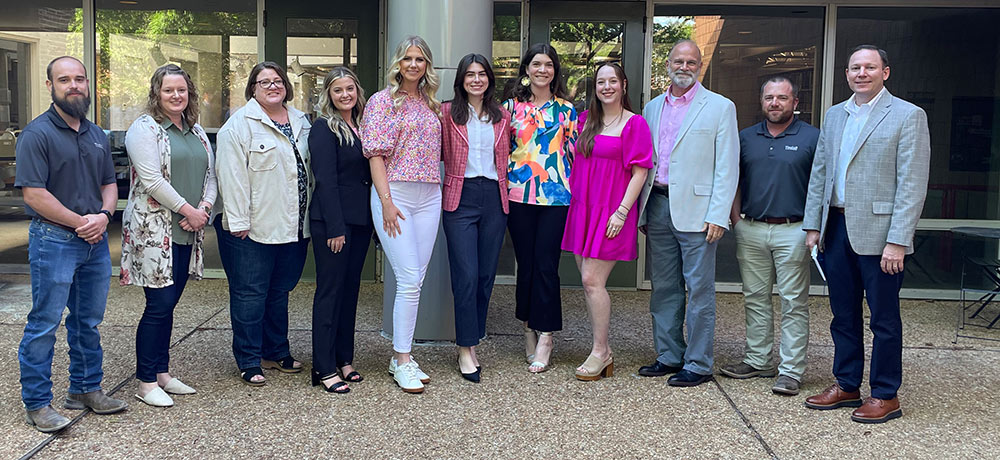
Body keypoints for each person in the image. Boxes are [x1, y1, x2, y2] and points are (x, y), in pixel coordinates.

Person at [802, 45, 930, 424]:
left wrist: (898, 240)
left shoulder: (908, 115)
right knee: (842, 314)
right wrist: (813, 224)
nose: (862, 73)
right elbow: (820, 173)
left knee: (884, 318)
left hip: (881, 233)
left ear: (885, 72)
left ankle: (886, 393)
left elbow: (912, 183)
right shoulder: (835, 115)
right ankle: (846, 384)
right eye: (855, 67)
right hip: (836, 227)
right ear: (846, 74)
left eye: (870, 67)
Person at [16, 56, 127, 432]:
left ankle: (84, 388)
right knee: (45, 322)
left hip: (94, 242)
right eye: (64, 80)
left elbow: (109, 184)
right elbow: (34, 194)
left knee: (87, 322)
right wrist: (82, 222)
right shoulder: (37, 134)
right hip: (54, 240)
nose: (74, 85)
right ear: (50, 86)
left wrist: (104, 216)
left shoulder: (96, 134)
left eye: (79, 79)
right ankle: (37, 402)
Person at [637, 39, 739, 387]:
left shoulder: (720, 107)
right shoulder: (651, 108)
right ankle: (668, 355)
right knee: (664, 287)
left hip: (699, 212)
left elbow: (727, 166)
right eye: (678, 61)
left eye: (691, 62)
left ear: (700, 66)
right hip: (658, 205)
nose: (684, 67)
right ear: (668, 64)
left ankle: (698, 363)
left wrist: (719, 213)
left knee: (698, 290)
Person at [121, 64, 215, 406]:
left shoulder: (197, 131)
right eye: (168, 90)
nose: (176, 96)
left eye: (182, 90)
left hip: (187, 230)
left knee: (169, 304)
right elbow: (153, 181)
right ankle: (145, 382)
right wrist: (189, 211)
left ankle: (162, 373)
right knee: (158, 305)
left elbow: (211, 175)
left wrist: (203, 208)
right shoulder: (143, 129)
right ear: (156, 94)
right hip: (154, 232)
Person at [719, 76, 819, 396]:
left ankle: (790, 370)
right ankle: (759, 360)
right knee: (755, 298)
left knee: (793, 302)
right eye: (769, 98)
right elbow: (732, 178)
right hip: (751, 228)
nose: (775, 103)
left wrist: (813, 228)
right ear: (761, 102)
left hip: (794, 229)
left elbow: (820, 187)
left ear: (795, 103)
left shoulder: (812, 137)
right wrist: (736, 219)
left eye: (782, 98)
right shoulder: (746, 137)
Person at [215, 61, 312, 386]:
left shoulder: (302, 121)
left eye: (277, 81)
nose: (273, 86)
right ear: (253, 89)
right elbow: (231, 176)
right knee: (250, 294)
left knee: (279, 292)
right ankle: (248, 358)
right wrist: (238, 220)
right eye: (264, 82)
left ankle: (275, 351)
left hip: (294, 225)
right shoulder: (239, 125)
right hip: (252, 228)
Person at [362, 36, 442, 394]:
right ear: (398, 63)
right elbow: (375, 155)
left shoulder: (430, 102)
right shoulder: (382, 101)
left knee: (417, 280)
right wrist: (386, 201)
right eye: (407, 58)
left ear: (427, 65)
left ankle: (402, 356)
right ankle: (402, 358)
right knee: (409, 279)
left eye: (420, 59)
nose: (413, 64)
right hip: (394, 194)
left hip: (429, 195)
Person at [562, 63, 652, 381]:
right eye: (601, 82)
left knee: (591, 280)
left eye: (612, 81)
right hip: (583, 210)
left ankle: (601, 352)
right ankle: (602, 350)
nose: (607, 87)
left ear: (623, 85)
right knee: (589, 285)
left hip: (613, 212)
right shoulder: (586, 120)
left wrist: (622, 212)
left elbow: (641, 172)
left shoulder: (635, 124)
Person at [503, 43, 578, 374]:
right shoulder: (508, 109)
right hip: (517, 195)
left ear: (555, 71)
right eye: (536, 64)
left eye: (548, 65)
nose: (542, 70)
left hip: (555, 197)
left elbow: (574, 155)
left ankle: (546, 334)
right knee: (526, 264)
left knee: (546, 265)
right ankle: (528, 326)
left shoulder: (567, 111)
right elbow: (501, 150)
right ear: (527, 69)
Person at [440, 54, 511, 383]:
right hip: (460, 198)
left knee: (484, 276)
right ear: (461, 80)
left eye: (482, 74)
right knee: (466, 275)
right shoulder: (445, 113)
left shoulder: (503, 116)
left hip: (495, 199)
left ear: (489, 80)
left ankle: (474, 334)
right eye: (470, 74)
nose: (477, 80)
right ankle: (466, 347)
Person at [307, 66, 372, 394]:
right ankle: (323, 367)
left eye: (349, 88)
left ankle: (344, 358)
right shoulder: (323, 128)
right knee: (330, 293)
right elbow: (327, 181)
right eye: (338, 90)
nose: (345, 95)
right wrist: (335, 227)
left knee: (350, 293)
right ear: (329, 96)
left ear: (357, 91)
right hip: (333, 224)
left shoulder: (363, 125)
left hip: (360, 222)